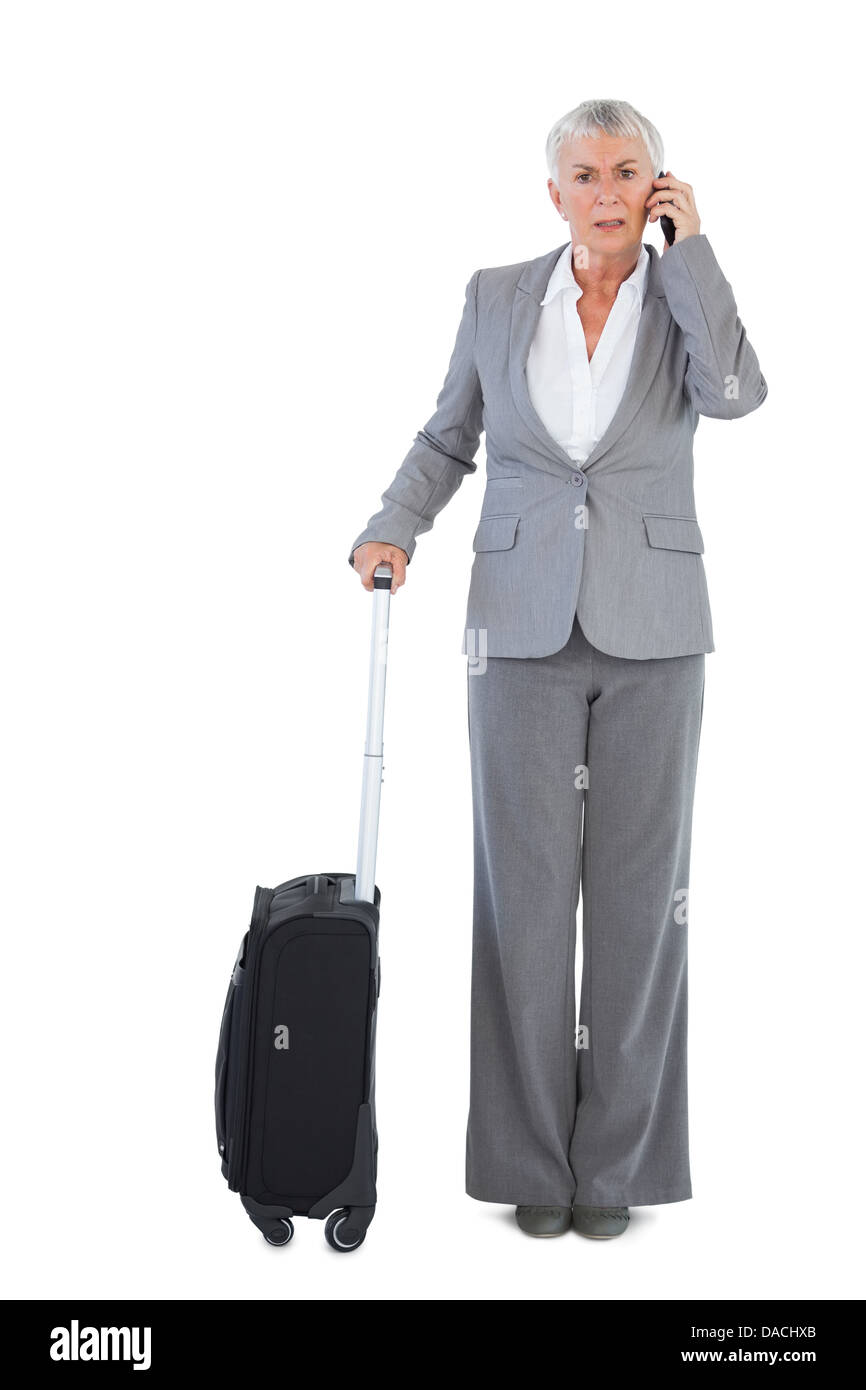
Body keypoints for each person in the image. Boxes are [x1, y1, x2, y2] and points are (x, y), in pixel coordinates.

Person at [348, 98, 767, 1240]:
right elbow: (449, 435)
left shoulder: (683, 295)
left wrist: (696, 256)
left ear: (656, 186)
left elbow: (733, 394)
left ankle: (614, 1164)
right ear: (553, 192)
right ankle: (533, 1161)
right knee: (522, 903)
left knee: (641, 906)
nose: (604, 190)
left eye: (627, 171)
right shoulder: (496, 295)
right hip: (517, 628)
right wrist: (394, 525)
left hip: (656, 629)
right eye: (582, 172)